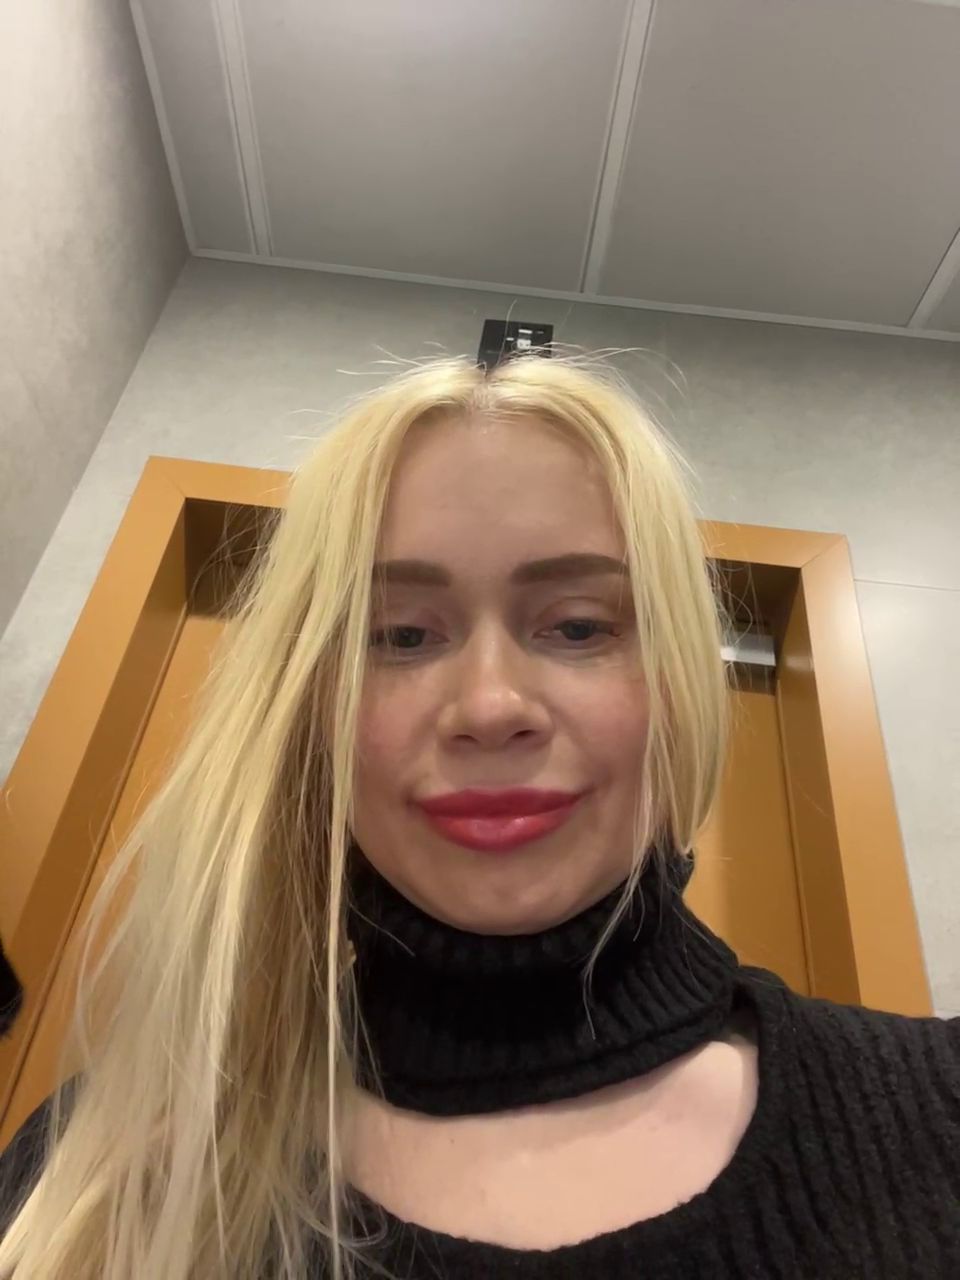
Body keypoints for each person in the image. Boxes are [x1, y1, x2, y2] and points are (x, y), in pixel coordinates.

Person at [0, 353, 958, 1280]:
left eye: (578, 625)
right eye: (401, 635)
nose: (491, 706)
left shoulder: (936, 1109)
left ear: (676, 684)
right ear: (309, 709)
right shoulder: (88, 1177)